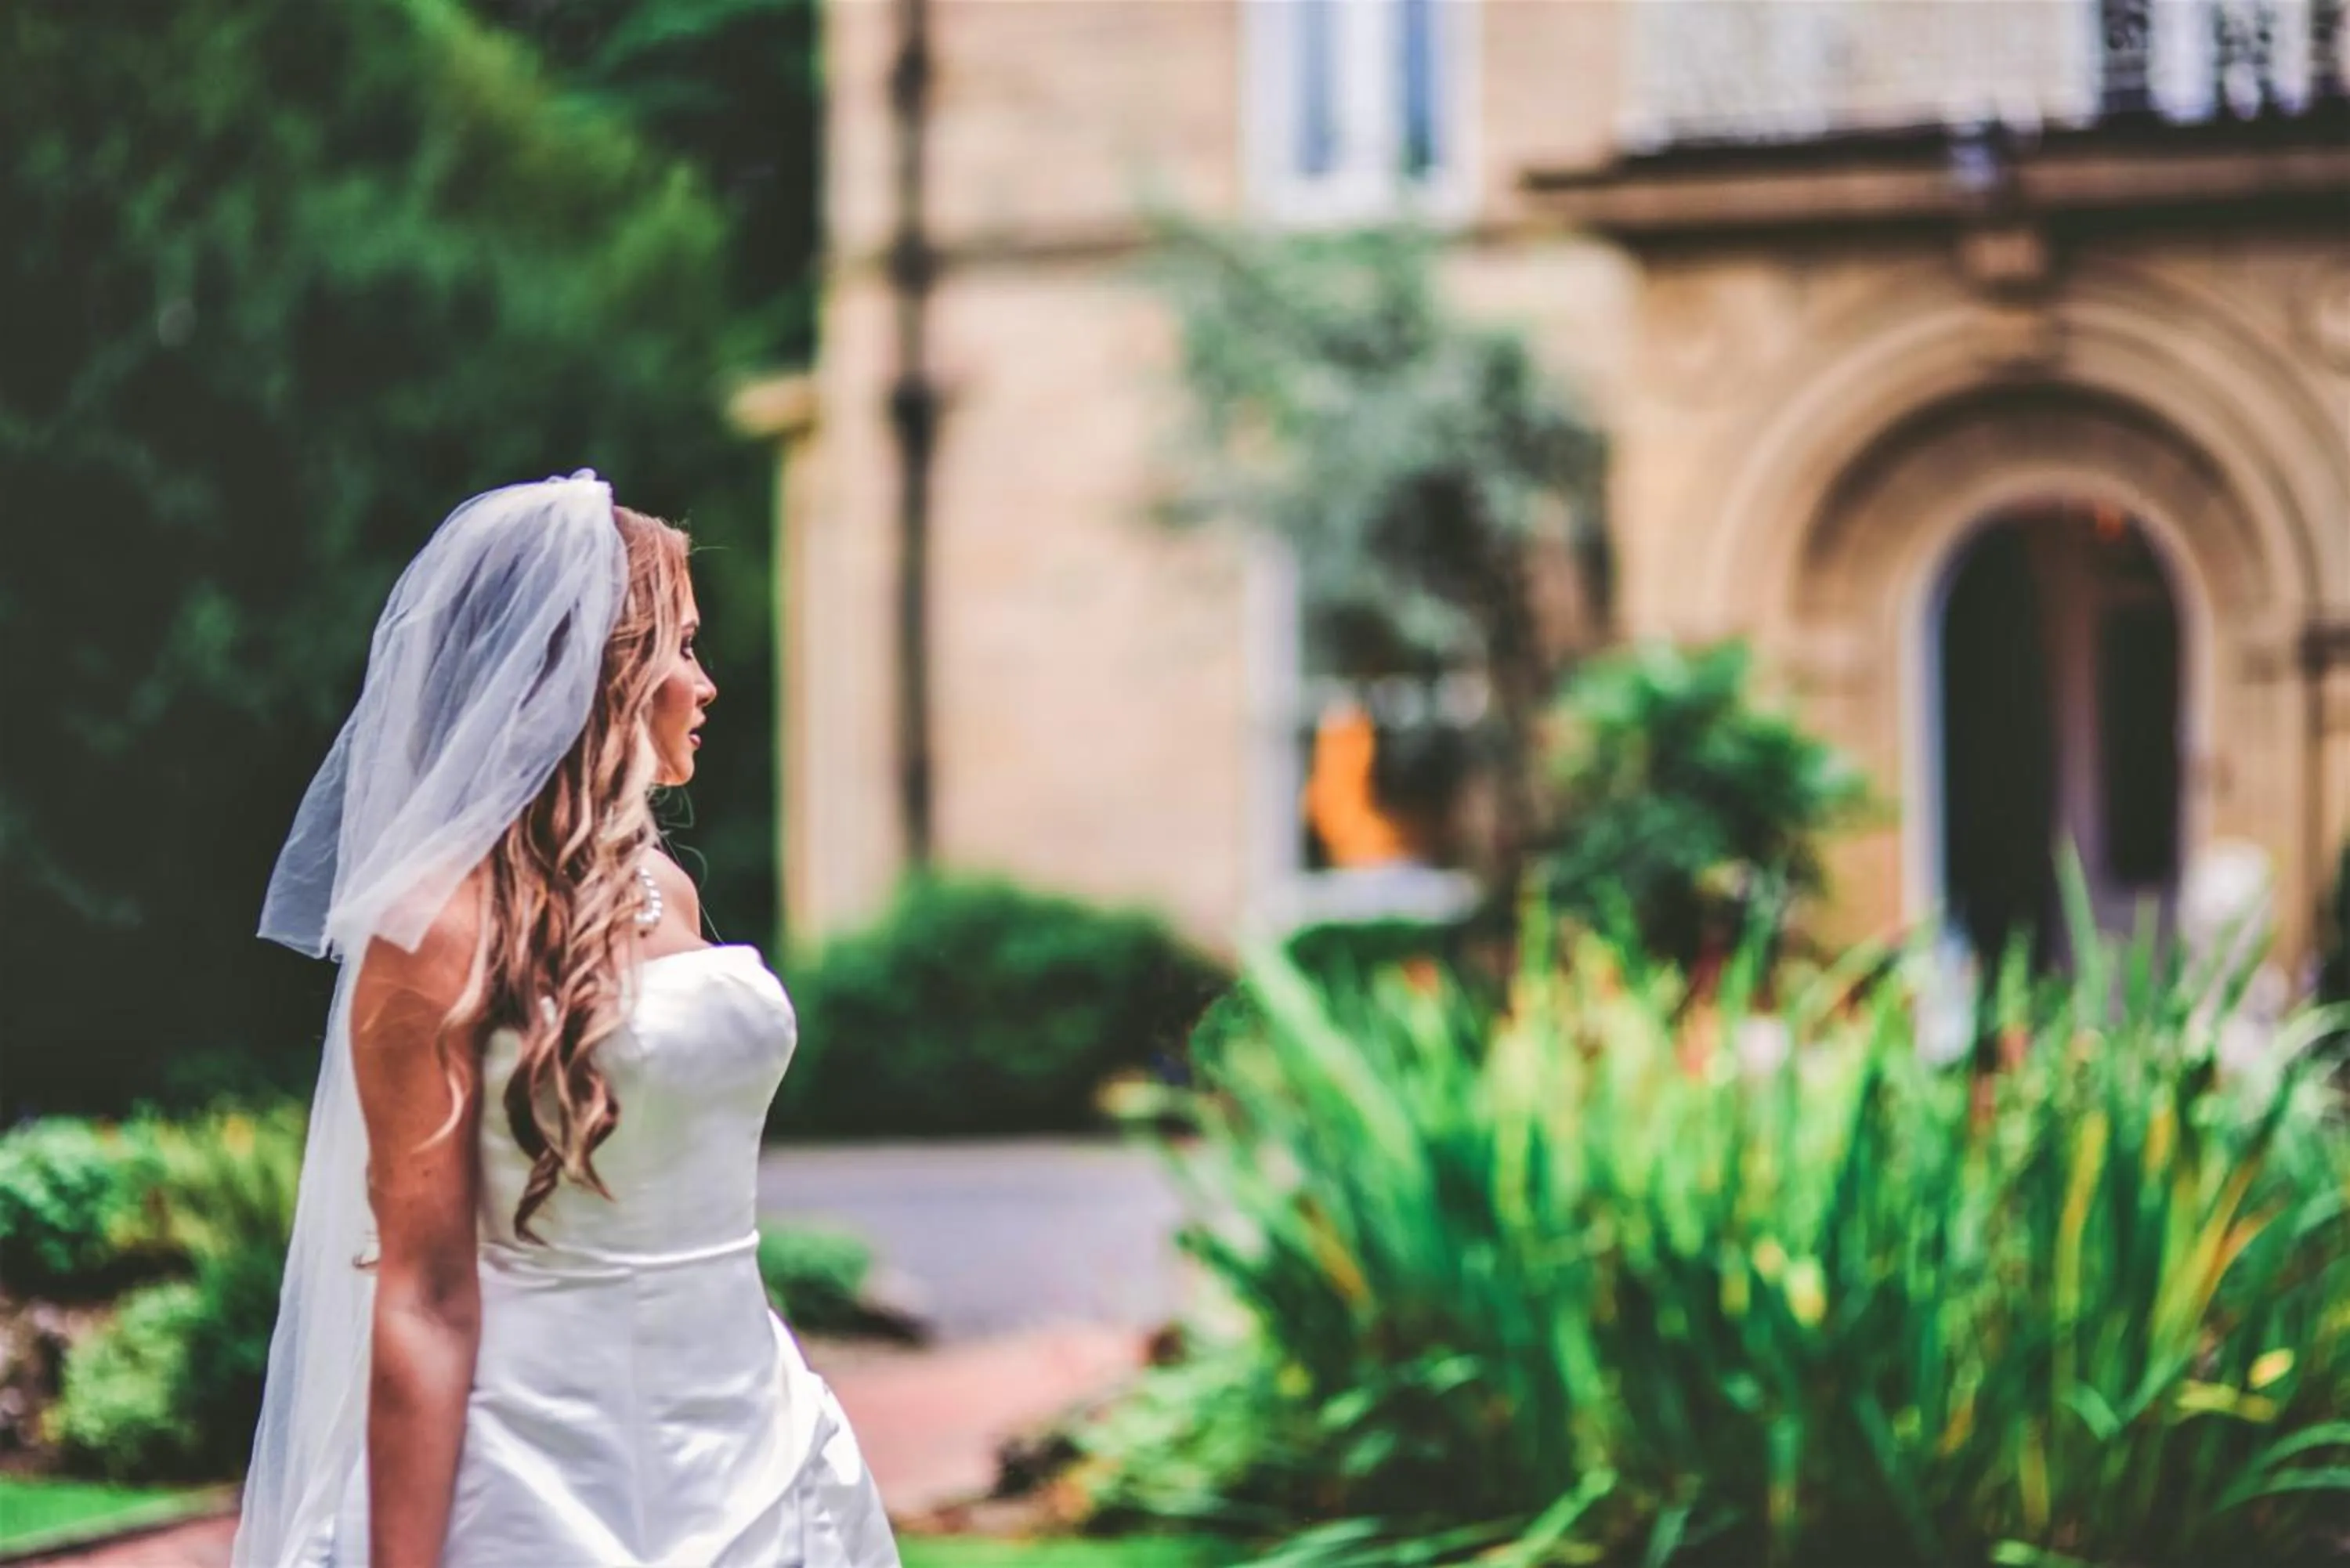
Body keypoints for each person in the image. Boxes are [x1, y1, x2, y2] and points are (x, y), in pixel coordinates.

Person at [233, 472, 899, 1567]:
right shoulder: (429, 932)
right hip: (537, 1464)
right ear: (601, 671)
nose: (706, 683)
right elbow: (424, 1290)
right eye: (681, 647)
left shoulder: (662, 890)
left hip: (749, 1431)